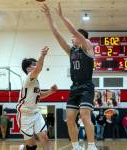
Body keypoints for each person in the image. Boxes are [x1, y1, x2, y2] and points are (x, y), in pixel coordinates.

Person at [41, 3, 97, 150]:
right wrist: (49, 17)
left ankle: (91, 146)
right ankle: (76, 146)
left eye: (74, 36)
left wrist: (61, 16)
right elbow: (57, 34)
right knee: (70, 119)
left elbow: (73, 30)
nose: (72, 38)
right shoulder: (71, 51)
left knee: (85, 116)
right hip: (74, 87)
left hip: (86, 87)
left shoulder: (88, 46)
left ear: (81, 38)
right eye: (72, 36)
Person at [16, 46, 58, 150]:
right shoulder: (28, 78)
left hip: (35, 113)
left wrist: (51, 91)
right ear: (28, 69)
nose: (37, 66)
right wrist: (42, 56)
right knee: (32, 146)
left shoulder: (35, 82)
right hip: (25, 115)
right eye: (34, 64)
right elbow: (39, 68)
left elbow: (39, 96)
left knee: (45, 138)